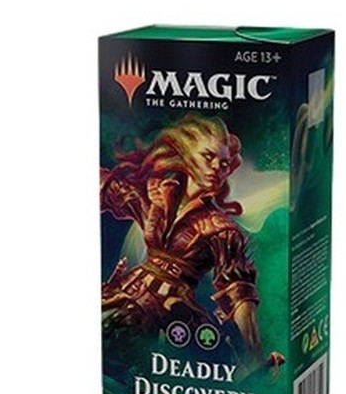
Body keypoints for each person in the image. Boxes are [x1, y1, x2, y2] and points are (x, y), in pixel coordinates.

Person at [101, 114, 278, 369]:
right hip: (124, 292)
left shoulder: (220, 228)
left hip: (173, 311)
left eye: (224, 164)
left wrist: (255, 354)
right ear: (186, 154)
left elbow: (240, 293)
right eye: (209, 157)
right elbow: (111, 188)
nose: (217, 167)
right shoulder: (154, 195)